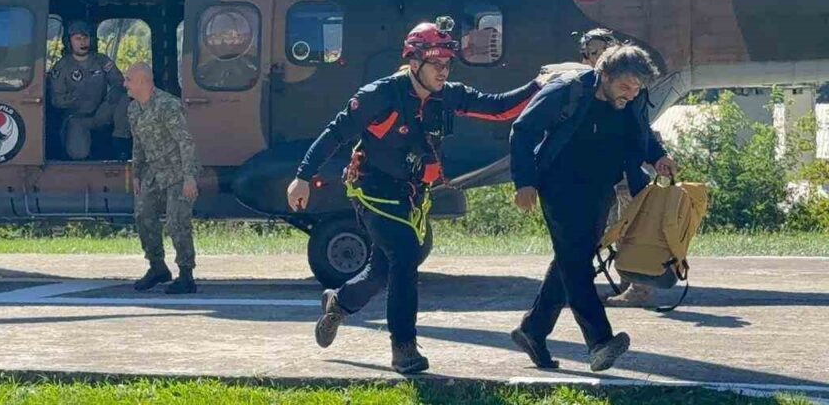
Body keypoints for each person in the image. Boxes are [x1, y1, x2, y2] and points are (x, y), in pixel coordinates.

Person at [286, 21, 547, 375]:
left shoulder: (447, 94)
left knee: (388, 265)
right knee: (405, 255)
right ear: (413, 62)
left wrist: (540, 86)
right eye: (435, 63)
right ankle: (404, 348)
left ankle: (340, 301)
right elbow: (335, 134)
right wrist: (302, 177)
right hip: (372, 191)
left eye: (447, 63)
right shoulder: (379, 95)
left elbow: (498, 108)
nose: (443, 70)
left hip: (412, 194)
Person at [508, 44, 676, 372]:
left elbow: (640, 133)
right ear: (605, 75)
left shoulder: (633, 97)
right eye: (625, 86)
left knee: (573, 260)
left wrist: (659, 156)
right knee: (577, 264)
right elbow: (522, 131)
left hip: (601, 189)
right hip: (559, 187)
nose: (630, 93)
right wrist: (523, 182)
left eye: (637, 87)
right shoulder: (567, 91)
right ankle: (599, 341)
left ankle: (533, 330)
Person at [577, 29, 654, 308]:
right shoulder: (585, 88)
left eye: (600, 52)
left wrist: (659, 158)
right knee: (612, 230)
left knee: (632, 229)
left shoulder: (628, 91)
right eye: (590, 53)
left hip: (627, 174)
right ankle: (625, 281)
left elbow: (643, 132)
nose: (594, 58)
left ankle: (640, 287)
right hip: (601, 177)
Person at [124, 63, 201, 294]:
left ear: (142, 82)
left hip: (178, 171)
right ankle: (157, 267)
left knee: (177, 222)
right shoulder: (133, 109)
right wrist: (136, 174)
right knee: (143, 216)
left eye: (128, 79)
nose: (124, 84)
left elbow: (185, 142)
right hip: (153, 171)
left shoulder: (168, 105)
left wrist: (189, 178)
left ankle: (186, 275)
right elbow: (138, 144)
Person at [48, 20, 130, 160]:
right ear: (69, 41)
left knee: (125, 98)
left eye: (85, 38)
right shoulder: (62, 67)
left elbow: (120, 83)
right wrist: (74, 98)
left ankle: (121, 143)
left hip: (101, 112)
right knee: (79, 154)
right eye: (78, 39)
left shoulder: (102, 60)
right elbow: (57, 100)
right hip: (77, 118)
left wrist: (113, 94)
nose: (82, 42)